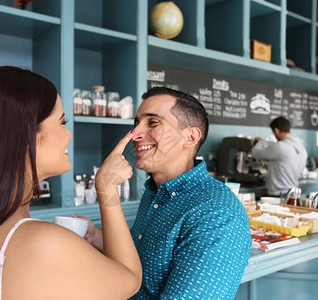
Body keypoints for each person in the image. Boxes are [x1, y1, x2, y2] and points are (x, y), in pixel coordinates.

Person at [0, 66, 142, 299]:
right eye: (62, 122)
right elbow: (129, 279)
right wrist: (107, 188)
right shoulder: (39, 243)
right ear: (25, 135)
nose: (68, 134)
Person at [85, 87, 252, 299]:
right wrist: (97, 237)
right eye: (136, 124)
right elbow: (142, 257)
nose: (135, 135)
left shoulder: (217, 214)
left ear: (191, 137)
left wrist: (107, 189)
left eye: (153, 123)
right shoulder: (155, 192)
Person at [251, 116, 308, 196]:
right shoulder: (301, 148)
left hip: (278, 195)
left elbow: (255, 153)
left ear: (276, 130)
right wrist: (273, 168)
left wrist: (260, 142)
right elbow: (294, 170)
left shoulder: (279, 147)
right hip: (293, 194)